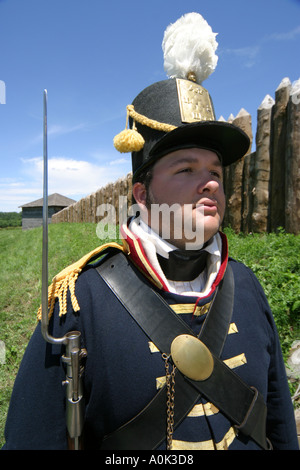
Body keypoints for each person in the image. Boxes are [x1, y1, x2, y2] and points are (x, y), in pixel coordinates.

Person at [2, 13, 298, 451]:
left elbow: (279, 429)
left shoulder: (248, 287)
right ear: (142, 192)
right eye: (187, 169)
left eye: (215, 169)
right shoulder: (82, 304)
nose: (211, 181)